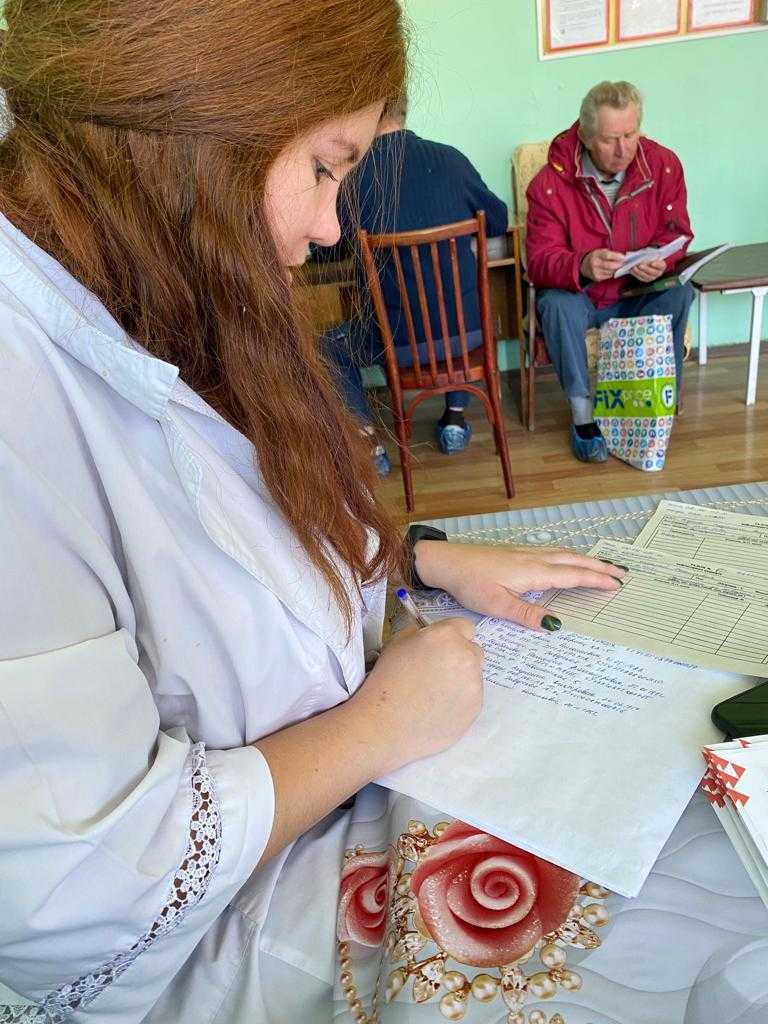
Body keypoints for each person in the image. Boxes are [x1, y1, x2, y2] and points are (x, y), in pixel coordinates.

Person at [0, 3, 625, 1020]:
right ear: (196, 128)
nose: (332, 227)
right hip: (208, 945)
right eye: (328, 168)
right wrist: (377, 727)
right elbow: (74, 889)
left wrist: (416, 558)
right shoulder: (18, 395)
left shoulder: (150, 284)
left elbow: (231, 526)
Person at [320, 99, 509, 467]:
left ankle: (370, 446)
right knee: (452, 310)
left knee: (328, 345)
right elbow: (498, 220)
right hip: (469, 336)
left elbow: (331, 251)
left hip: (399, 345)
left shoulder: (354, 179)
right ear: (403, 111)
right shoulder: (451, 160)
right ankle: (454, 419)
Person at [526, 81, 695, 464]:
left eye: (630, 135)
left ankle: (655, 403)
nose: (622, 150)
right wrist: (582, 264)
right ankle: (583, 417)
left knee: (681, 292)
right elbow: (539, 260)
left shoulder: (664, 165)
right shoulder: (548, 185)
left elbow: (678, 232)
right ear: (586, 137)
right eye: (609, 139)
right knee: (555, 304)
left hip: (637, 293)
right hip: (583, 297)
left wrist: (661, 261)